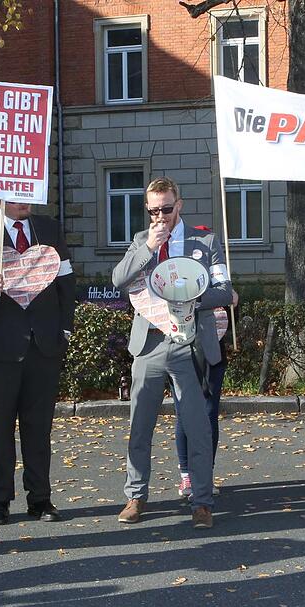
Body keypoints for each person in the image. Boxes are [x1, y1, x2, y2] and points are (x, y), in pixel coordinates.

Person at [111, 177, 233, 529]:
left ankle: (202, 502)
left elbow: (224, 290)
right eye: (153, 210)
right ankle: (136, 496)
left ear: (179, 204)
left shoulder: (204, 241)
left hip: (189, 343)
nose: (160, 216)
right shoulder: (140, 240)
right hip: (148, 343)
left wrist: (191, 298)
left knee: (197, 426)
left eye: (166, 208)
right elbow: (118, 279)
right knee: (140, 426)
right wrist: (149, 246)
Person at [0, 201, 76, 525]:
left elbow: (66, 282)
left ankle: (41, 499)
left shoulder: (49, 229)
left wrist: (65, 329)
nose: (25, 201)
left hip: (44, 347)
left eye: (29, 193)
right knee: (0, 428)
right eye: (17, 194)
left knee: (38, 428)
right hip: (1, 350)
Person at [173, 227, 237, 501]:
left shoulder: (210, 247)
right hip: (177, 343)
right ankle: (187, 475)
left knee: (209, 412)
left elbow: (226, 294)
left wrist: (192, 298)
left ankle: (205, 474)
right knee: (183, 413)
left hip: (210, 344)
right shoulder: (165, 252)